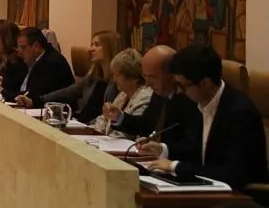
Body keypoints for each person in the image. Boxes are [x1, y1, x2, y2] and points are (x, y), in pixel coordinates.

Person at [141, 45, 268, 190]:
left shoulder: (240, 113)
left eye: (182, 85)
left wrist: (175, 166)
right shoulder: (200, 104)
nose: (178, 91)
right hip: (208, 190)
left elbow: (232, 174)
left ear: (205, 83)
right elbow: (196, 150)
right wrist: (163, 150)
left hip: (239, 198)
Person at [105, 46, 198, 147]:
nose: (147, 83)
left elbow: (191, 146)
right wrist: (120, 117)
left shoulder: (190, 99)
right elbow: (146, 124)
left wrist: (163, 149)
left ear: (171, 75)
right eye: (145, 76)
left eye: (152, 77)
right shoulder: (159, 94)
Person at [39, 31, 120, 123]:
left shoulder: (118, 81)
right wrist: (40, 99)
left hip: (97, 128)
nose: (90, 49)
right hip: (81, 123)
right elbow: (69, 92)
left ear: (110, 48)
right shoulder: (92, 77)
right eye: (91, 44)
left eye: (96, 45)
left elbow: (111, 115)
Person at [93, 49, 153, 136]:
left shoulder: (145, 98)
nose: (114, 80)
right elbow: (103, 119)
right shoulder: (123, 94)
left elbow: (128, 134)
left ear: (132, 77)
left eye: (117, 75)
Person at [10, 28, 75, 107]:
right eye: (18, 47)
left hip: (57, 113)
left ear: (36, 46)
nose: (19, 52)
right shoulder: (34, 59)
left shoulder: (52, 63)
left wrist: (8, 94)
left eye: (23, 48)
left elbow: (34, 95)